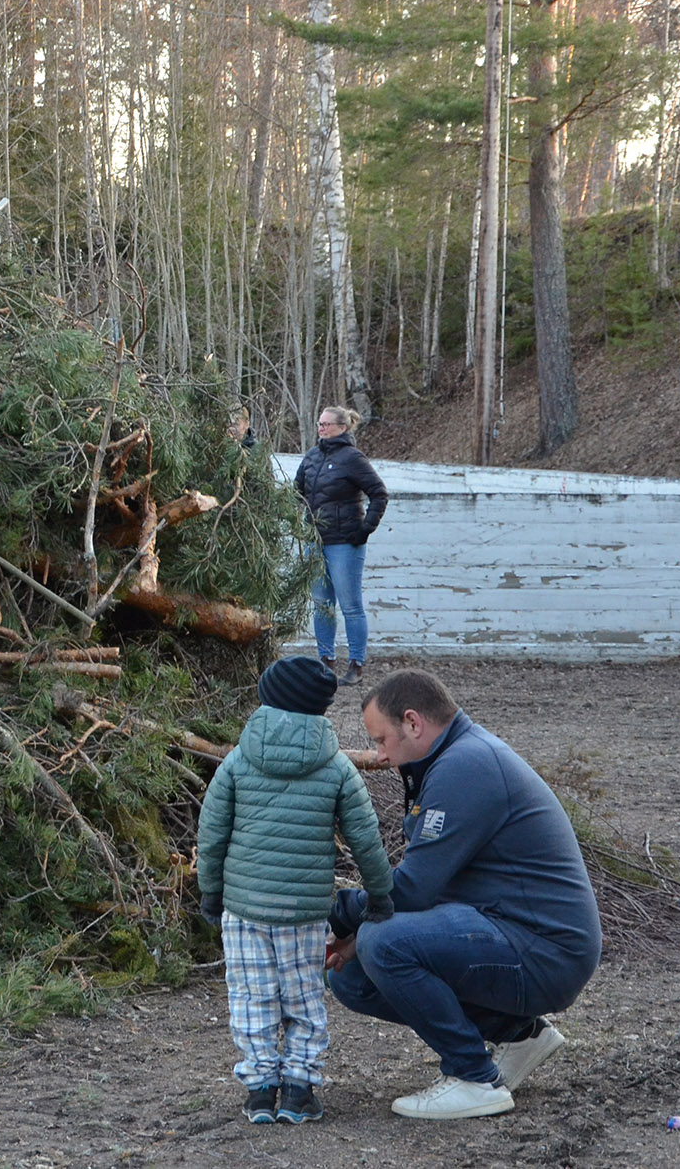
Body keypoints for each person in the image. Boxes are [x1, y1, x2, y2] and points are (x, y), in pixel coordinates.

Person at [325, 669, 602, 1120]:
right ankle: (518, 1034)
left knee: (381, 942)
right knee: (350, 976)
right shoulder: (453, 759)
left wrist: (342, 912)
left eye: (380, 740)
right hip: (516, 934)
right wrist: (360, 929)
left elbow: (411, 891)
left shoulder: (466, 766)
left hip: (547, 952)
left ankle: (473, 1078)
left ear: (413, 723)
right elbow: (426, 888)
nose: (378, 755)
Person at [198, 656, 395, 1125]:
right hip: (305, 913)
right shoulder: (337, 767)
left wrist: (211, 891)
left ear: (268, 699)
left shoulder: (239, 759)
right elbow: (365, 836)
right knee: (304, 998)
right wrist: (380, 894)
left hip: (244, 909)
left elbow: (212, 831)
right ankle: (299, 1091)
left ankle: (260, 1091)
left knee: (252, 996)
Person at [293, 406, 387, 682]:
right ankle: (326, 662)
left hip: (345, 544)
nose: (321, 428)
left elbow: (379, 494)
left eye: (326, 424)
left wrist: (364, 530)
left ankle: (356, 664)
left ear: (342, 428)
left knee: (350, 606)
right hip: (315, 542)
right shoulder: (311, 457)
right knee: (321, 604)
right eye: (319, 424)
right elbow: (296, 493)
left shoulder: (353, 458)